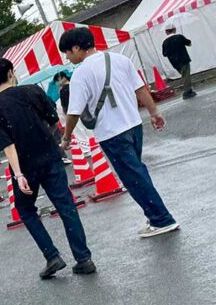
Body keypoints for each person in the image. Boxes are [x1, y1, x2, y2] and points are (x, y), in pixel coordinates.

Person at [59, 26, 179, 239]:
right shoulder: (120, 59)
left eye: (68, 52)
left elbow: (74, 111)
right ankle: (155, 217)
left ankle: (162, 219)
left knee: (134, 177)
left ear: (77, 47)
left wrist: (67, 137)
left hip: (111, 132)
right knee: (138, 173)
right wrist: (154, 112)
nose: (68, 57)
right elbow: (140, 88)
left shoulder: (81, 74)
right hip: (134, 124)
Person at [0, 57, 96, 279]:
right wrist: (47, 137)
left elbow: (8, 146)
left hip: (24, 166)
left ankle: (52, 255)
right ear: (11, 72)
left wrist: (18, 174)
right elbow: (53, 119)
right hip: (50, 156)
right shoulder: (32, 91)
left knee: (25, 210)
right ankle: (83, 258)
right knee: (66, 205)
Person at [162, 21, 196, 99]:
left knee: (184, 75)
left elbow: (164, 54)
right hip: (184, 59)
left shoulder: (165, 42)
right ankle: (186, 92)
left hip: (175, 63)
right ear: (174, 29)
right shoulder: (179, 37)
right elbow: (189, 43)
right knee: (186, 76)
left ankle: (189, 90)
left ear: (166, 32)